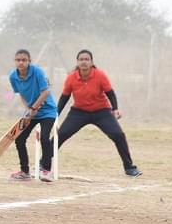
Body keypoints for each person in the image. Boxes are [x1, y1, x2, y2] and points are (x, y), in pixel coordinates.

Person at [56, 49, 142, 177]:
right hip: (79, 112)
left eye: (86, 59)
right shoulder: (71, 78)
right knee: (60, 135)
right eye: (81, 59)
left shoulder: (100, 75)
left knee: (118, 135)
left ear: (91, 62)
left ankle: (129, 168)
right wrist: (55, 114)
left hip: (101, 112)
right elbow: (64, 97)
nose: (84, 62)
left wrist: (115, 109)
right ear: (77, 62)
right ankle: (44, 164)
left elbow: (110, 93)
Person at [8, 49, 58, 182]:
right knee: (19, 139)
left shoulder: (37, 72)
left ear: (29, 61)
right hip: (32, 111)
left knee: (44, 137)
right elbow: (22, 95)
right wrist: (28, 110)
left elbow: (46, 92)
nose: (21, 62)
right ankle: (25, 172)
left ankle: (46, 171)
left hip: (48, 111)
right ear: (15, 61)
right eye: (18, 60)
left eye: (24, 60)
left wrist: (34, 108)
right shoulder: (13, 76)